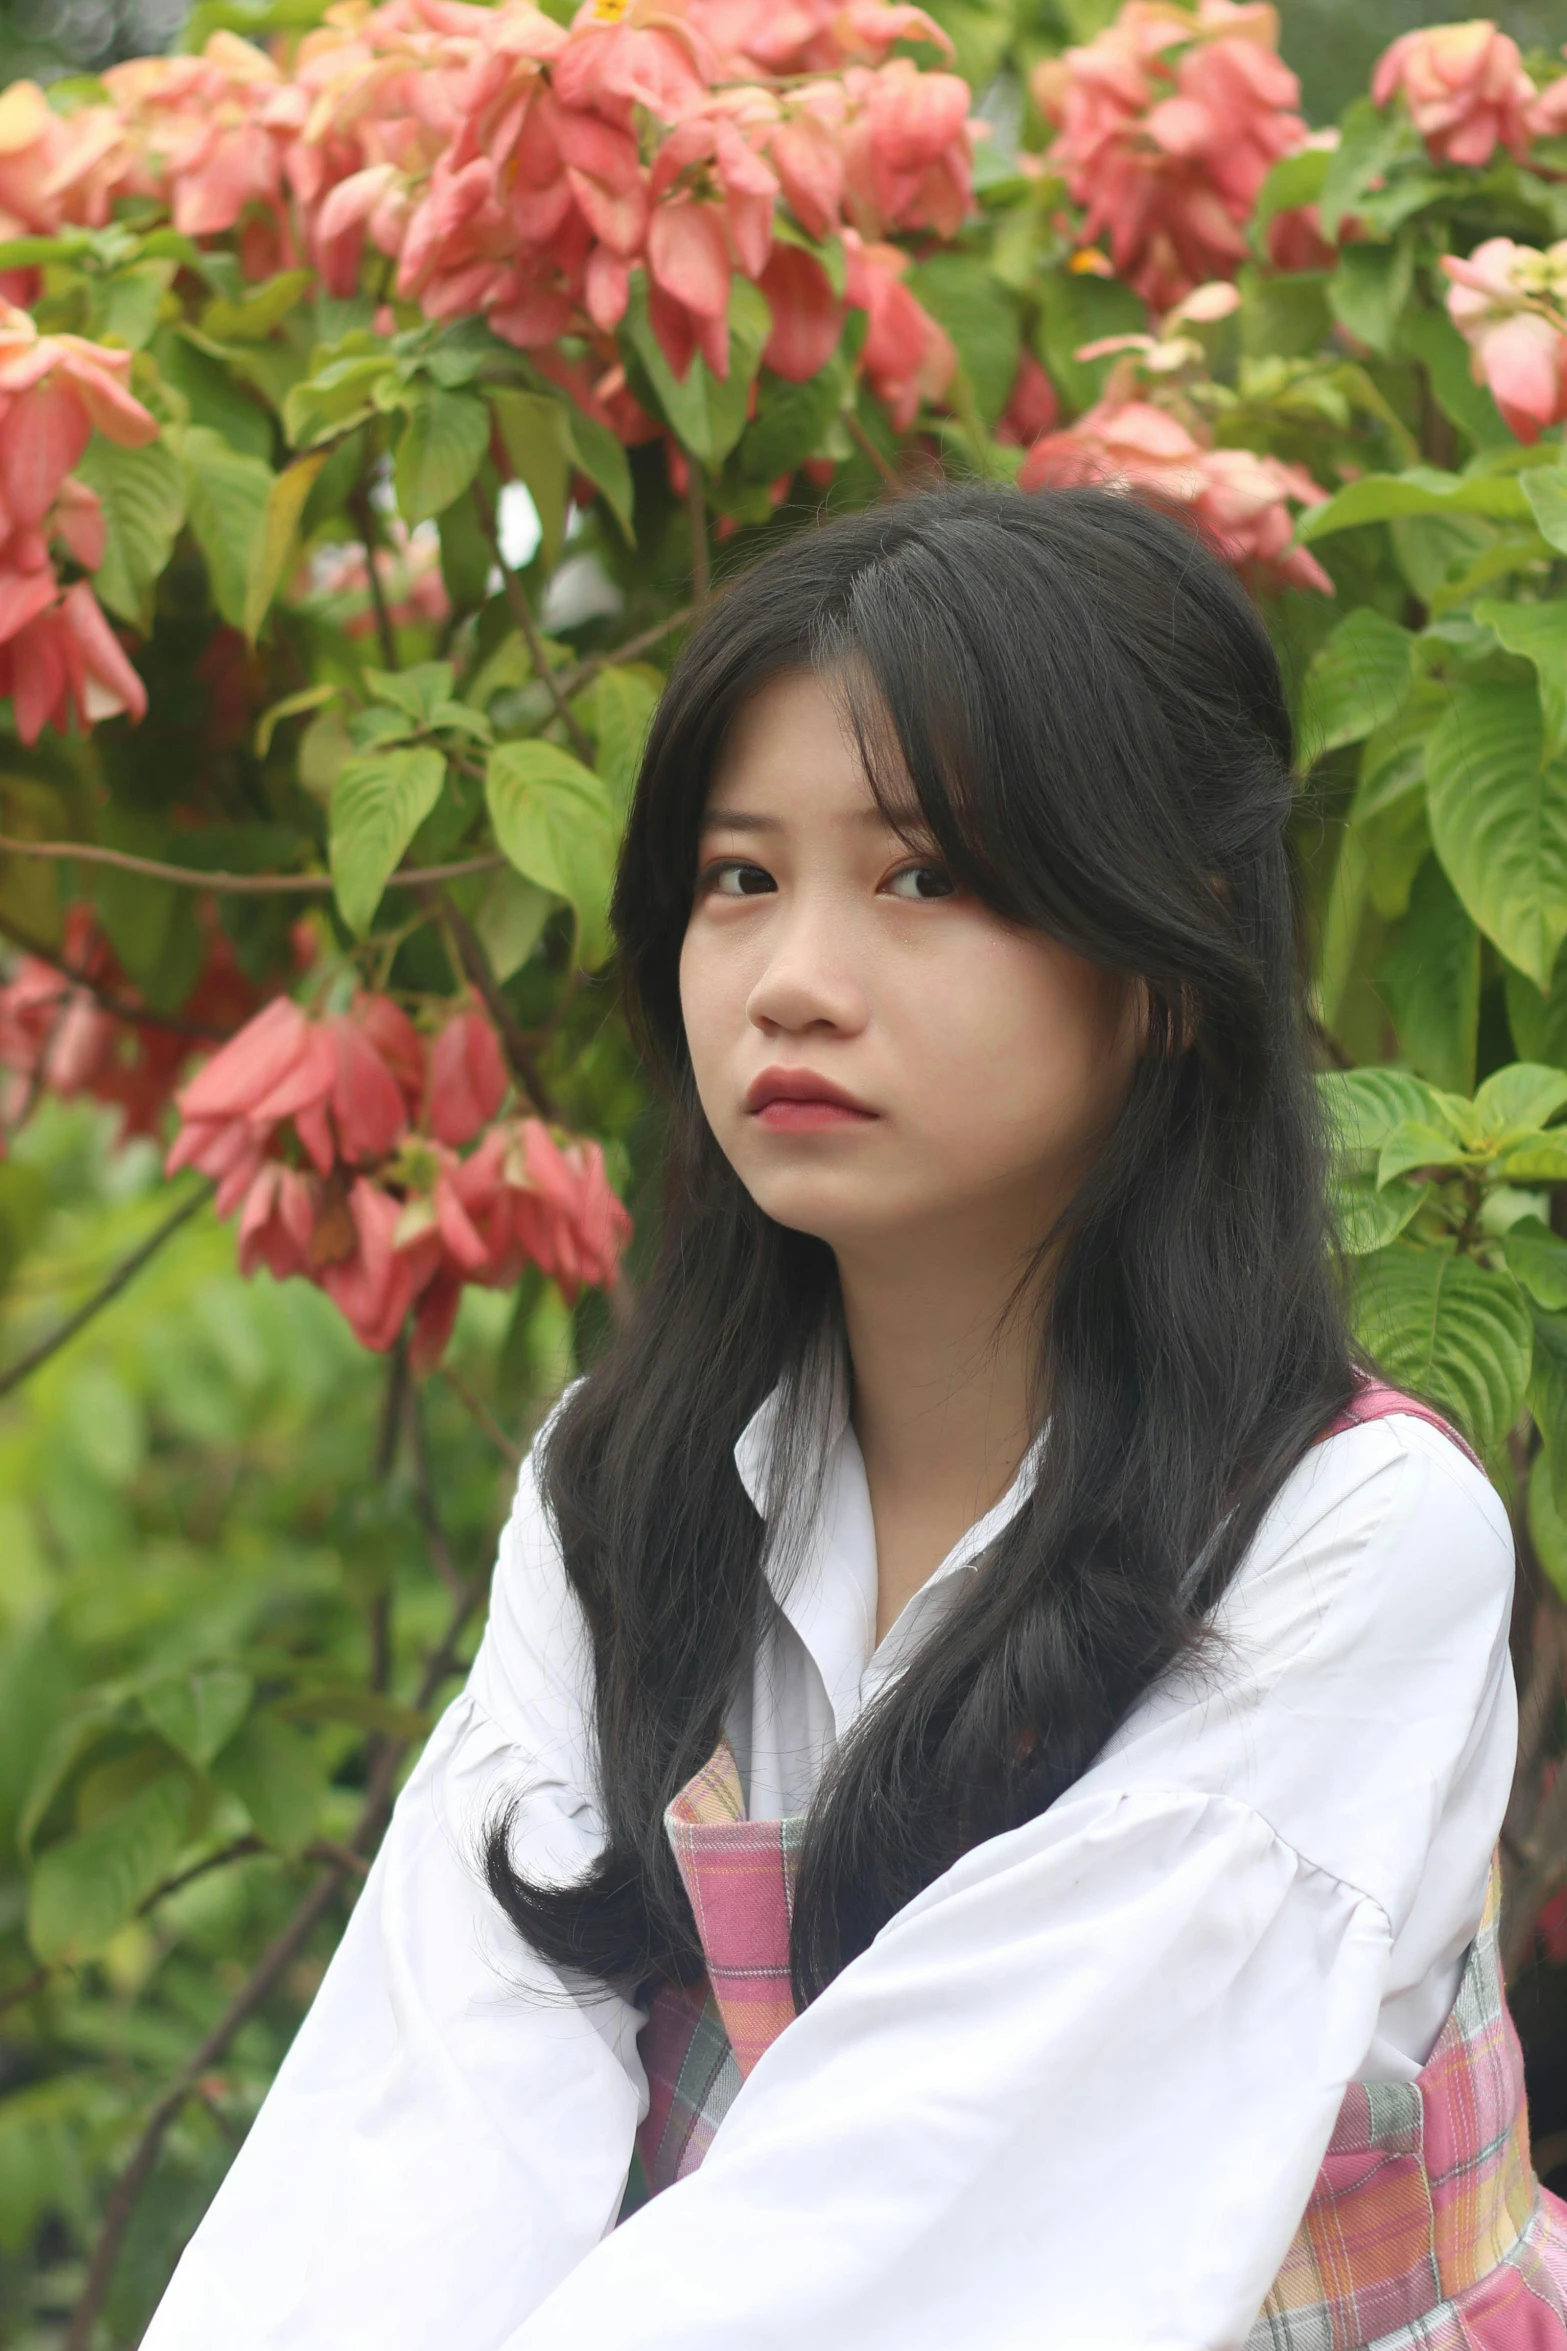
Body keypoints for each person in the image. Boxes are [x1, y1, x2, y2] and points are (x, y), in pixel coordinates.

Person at [141, 484, 1556, 2351]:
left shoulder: (1343, 1539)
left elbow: (932, 2225)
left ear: (1174, 962)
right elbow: (420, 2127)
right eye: (739, 877)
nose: (792, 980)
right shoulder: (624, 1495)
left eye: (920, 877)